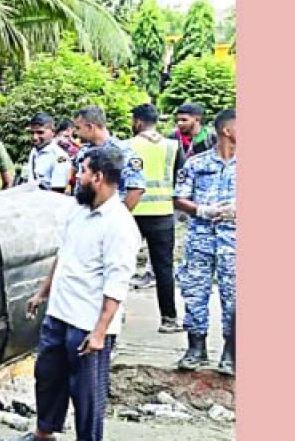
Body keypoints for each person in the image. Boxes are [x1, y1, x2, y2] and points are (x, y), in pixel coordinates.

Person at [3, 148, 140, 441]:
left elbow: (117, 284)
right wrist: (41, 293)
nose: (77, 177)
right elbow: (62, 256)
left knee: (86, 388)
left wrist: (99, 332)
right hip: (60, 312)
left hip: (89, 321)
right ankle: (44, 433)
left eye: (83, 171)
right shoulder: (78, 211)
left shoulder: (120, 225)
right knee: (48, 376)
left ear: (98, 178)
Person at [174, 108, 237, 376]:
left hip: (235, 243)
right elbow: (179, 198)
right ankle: (195, 348)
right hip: (200, 239)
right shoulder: (197, 164)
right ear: (227, 129)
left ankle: (232, 353)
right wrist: (202, 210)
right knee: (195, 293)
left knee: (235, 297)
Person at [126, 104, 182, 333]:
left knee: (118, 265)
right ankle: (169, 319)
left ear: (138, 122)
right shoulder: (173, 146)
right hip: (163, 215)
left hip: (133, 214)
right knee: (164, 269)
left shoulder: (127, 145)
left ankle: (112, 317)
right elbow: (181, 179)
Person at [69, 105, 146, 210]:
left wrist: (118, 216)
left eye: (78, 128)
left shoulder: (123, 152)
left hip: (108, 215)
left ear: (90, 127)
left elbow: (136, 189)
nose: (76, 133)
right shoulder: (83, 151)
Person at [24, 113, 71, 193]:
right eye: (32, 133)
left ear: (53, 132)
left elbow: (57, 192)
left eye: (40, 132)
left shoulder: (60, 157)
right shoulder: (34, 151)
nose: (35, 137)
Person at [174, 102, 217, 171]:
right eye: (178, 120)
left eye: (184, 120)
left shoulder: (212, 139)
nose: (179, 123)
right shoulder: (173, 138)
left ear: (197, 119)